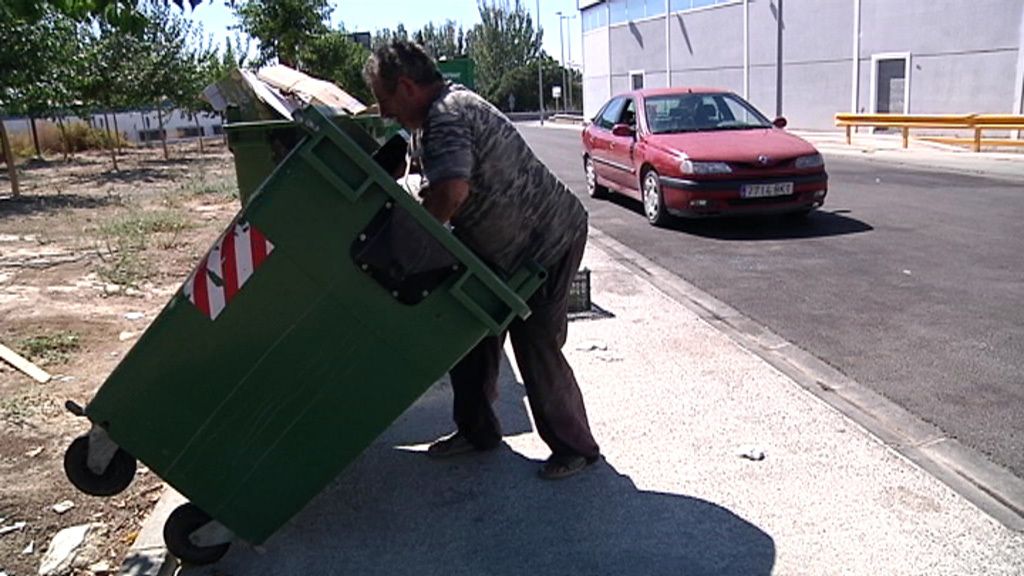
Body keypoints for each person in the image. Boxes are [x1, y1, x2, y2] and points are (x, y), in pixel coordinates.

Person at [362, 40, 600, 480]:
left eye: (384, 99)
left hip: (546, 241)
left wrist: (415, 247)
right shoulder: (443, 109)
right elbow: (437, 177)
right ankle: (477, 432)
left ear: (408, 86)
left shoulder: (446, 116)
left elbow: (452, 193)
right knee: (467, 336)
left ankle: (577, 449)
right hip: (504, 248)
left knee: (536, 344)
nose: (383, 112)